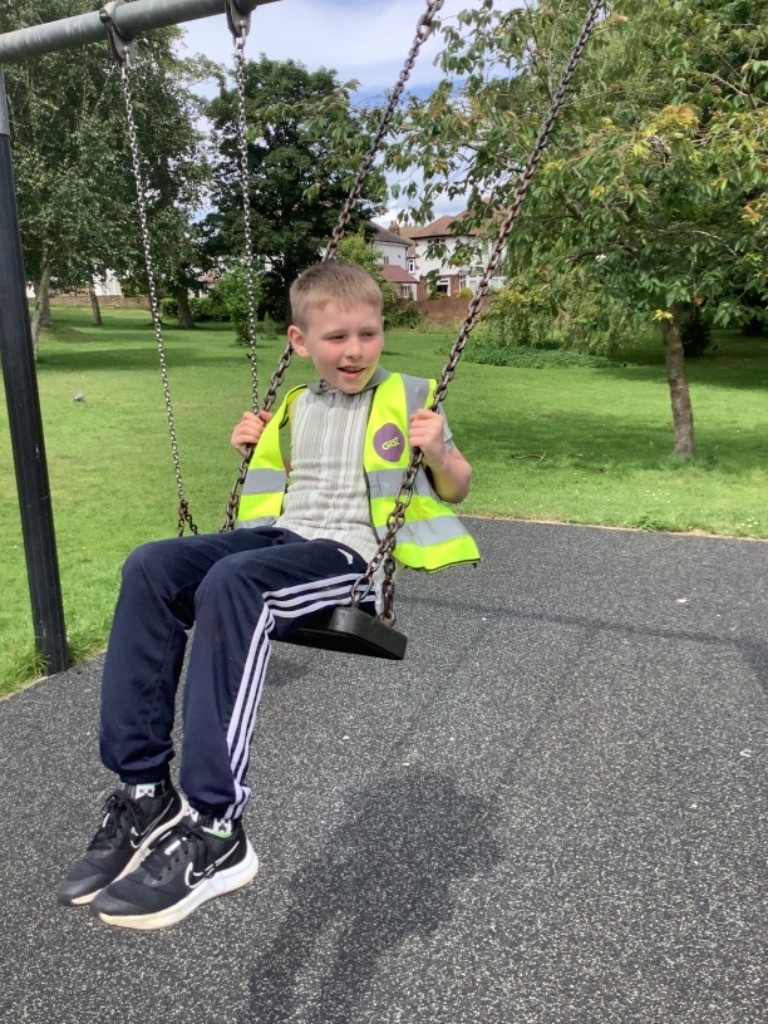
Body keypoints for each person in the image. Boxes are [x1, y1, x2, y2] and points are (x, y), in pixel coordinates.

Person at [57, 261, 480, 930]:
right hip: (282, 539)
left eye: (368, 334)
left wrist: (438, 454)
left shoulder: (411, 398)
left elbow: (456, 486)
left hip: (349, 557)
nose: (354, 351)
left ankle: (216, 827)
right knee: (151, 566)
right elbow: (289, 482)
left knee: (234, 584)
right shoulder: (294, 405)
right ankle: (143, 791)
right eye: (336, 337)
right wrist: (251, 449)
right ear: (300, 341)